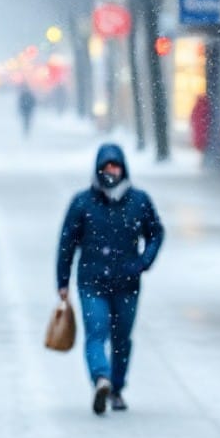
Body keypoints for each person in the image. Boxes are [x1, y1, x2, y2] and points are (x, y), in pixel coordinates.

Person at [57, 143, 165, 415]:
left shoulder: (139, 201)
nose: (110, 171)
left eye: (114, 166)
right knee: (96, 332)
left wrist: (144, 261)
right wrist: (62, 280)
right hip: (92, 282)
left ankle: (116, 388)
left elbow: (156, 233)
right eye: (105, 167)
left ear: (123, 168)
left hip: (127, 283)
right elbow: (67, 243)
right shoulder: (82, 203)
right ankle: (101, 377)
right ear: (97, 169)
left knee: (122, 338)